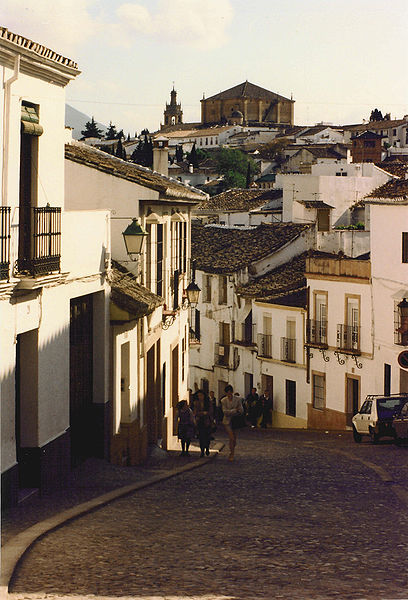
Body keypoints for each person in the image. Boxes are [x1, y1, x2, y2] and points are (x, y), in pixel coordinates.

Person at [221, 385, 244, 462]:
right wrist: (234, 410)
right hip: (227, 421)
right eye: (228, 394)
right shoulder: (223, 401)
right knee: (231, 437)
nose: (229, 395)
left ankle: (232, 449)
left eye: (230, 393)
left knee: (234, 439)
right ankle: (232, 453)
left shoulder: (238, 399)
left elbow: (241, 410)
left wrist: (232, 411)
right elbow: (225, 412)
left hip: (235, 421)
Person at [193, 389, 214, 457]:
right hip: (200, 421)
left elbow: (211, 411)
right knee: (201, 437)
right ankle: (202, 451)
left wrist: (207, 414)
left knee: (207, 436)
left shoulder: (208, 402)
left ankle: (207, 448)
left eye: (201, 395)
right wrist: (202, 413)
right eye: (198, 396)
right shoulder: (196, 403)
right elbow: (195, 412)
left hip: (207, 421)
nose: (200, 397)